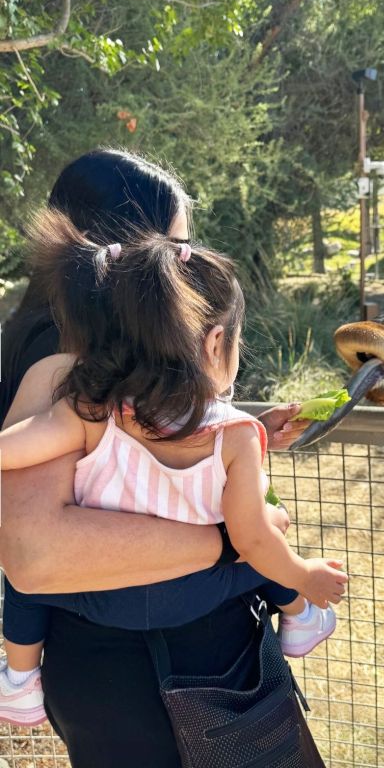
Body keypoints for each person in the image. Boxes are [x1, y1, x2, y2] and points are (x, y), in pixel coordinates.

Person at [0, 149, 347, 768]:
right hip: (159, 673)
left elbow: (138, 449)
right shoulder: (67, 361)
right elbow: (35, 555)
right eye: (179, 246)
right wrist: (236, 541)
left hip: (142, 672)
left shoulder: (93, 350)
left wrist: (236, 437)